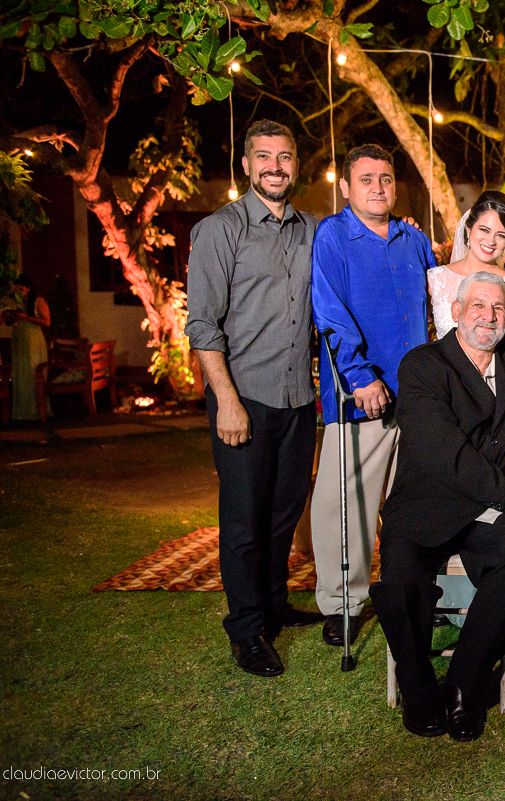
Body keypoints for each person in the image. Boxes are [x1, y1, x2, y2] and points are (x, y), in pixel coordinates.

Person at [370, 272, 505, 742]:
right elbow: (443, 452)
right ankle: (419, 692)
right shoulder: (423, 365)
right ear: (456, 312)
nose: (489, 316)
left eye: (498, 309)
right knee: (399, 582)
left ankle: (462, 684)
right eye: (478, 306)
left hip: (486, 510)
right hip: (426, 502)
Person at [185, 120, 323, 678]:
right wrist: (226, 400)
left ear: (296, 165)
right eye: (263, 156)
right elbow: (201, 324)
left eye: (284, 157)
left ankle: (272, 606)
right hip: (245, 399)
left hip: (297, 400)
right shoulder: (221, 230)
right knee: (243, 521)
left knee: (283, 515)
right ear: (246, 164)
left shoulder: (310, 229)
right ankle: (246, 629)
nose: (275, 166)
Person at [309, 144, 437, 648]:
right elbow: (330, 310)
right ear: (346, 187)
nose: (378, 188)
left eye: (385, 179)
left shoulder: (412, 239)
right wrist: (361, 377)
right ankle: (343, 604)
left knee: (410, 503)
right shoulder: (334, 237)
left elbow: (438, 301)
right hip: (361, 395)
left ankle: (410, 590)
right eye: (366, 180)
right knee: (349, 504)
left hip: (418, 397)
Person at [426, 190, 505, 339]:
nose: (491, 241)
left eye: (500, 235)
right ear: (468, 228)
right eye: (484, 230)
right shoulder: (436, 279)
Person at [6, 276, 50, 421]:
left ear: (28, 288)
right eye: (16, 289)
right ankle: (22, 412)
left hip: (33, 340)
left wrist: (25, 317)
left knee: (32, 372)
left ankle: (37, 410)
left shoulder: (38, 301)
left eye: (21, 289)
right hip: (20, 340)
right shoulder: (16, 303)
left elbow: (46, 322)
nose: (18, 292)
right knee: (21, 372)